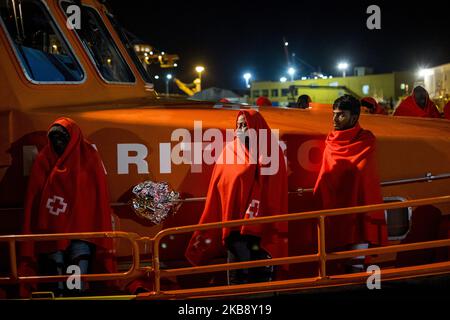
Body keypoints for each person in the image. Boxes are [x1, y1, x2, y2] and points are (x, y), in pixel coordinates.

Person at [185, 110, 288, 284]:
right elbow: (222, 183)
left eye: (245, 125)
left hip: (261, 225)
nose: (240, 129)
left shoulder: (271, 150)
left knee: (260, 276)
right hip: (234, 223)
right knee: (237, 276)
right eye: (238, 125)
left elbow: (274, 188)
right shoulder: (230, 150)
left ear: (256, 126)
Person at [19, 117, 115, 297]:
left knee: (75, 280)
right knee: (56, 280)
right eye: (54, 139)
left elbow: (97, 197)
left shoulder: (89, 157)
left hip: (82, 232)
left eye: (62, 139)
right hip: (52, 233)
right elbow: (35, 198)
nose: (58, 143)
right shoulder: (44, 158)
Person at [314, 95, 388, 274]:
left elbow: (363, 177)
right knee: (335, 266)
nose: (335, 119)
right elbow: (327, 173)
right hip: (336, 209)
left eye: (341, 115)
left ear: (354, 117)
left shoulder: (366, 140)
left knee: (356, 268)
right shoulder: (331, 140)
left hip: (359, 214)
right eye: (334, 114)